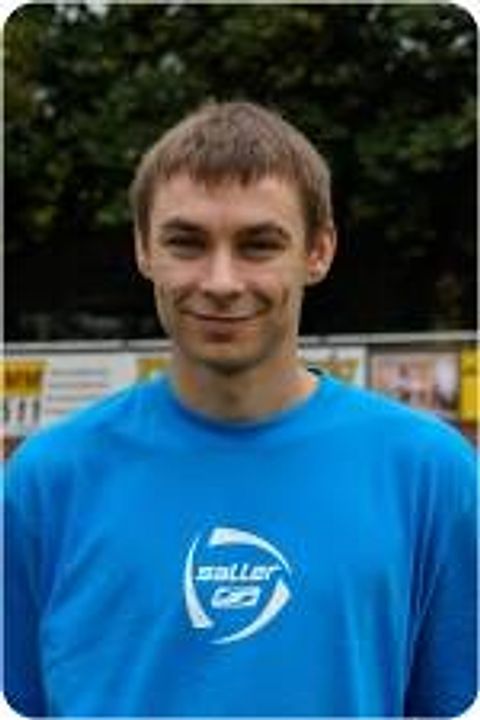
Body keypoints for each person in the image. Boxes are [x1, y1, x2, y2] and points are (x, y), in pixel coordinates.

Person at [4, 101, 476, 718]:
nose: (221, 282)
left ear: (319, 250)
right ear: (144, 248)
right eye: (187, 242)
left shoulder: (430, 475)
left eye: (259, 245)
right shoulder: (46, 481)